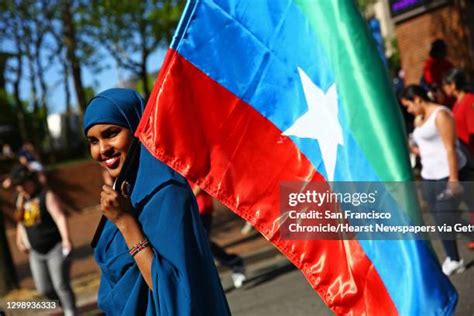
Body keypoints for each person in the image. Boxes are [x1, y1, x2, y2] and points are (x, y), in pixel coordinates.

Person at [83, 88, 230, 315]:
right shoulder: (124, 191)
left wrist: (125, 222)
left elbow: (176, 293)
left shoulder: (167, 192)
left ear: (136, 128)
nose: (102, 149)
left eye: (111, 133)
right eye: (93, 141)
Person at [400, 85, 472, 275]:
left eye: (408, 105)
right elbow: (424, 146)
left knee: (445, 217)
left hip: (447, 174)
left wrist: (454, 179)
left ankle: (454, 259)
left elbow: (450, 148)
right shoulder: (418, 119)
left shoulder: (441, 114)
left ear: (417, 98)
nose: (408, 110)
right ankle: (454, 259)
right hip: (429, 176)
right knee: (443, 219)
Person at [10, 164, 76, 315]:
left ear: (30, 181)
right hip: (36, 253)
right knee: (44, 289)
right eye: (17, 186)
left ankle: (70, 311)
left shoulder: (46, 196)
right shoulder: (20, 201)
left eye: (22, 185)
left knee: (61, 285)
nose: (20, 189)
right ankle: (63, 305)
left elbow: (60, 217)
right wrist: (19, 239)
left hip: (55, 248)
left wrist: (66, 239)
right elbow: (21, 222)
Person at [190, 184, 246, 288]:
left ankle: (213, 277)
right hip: (190, 210)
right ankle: (234, 263)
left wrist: (191, 196)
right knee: (201, 244)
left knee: (202, 244)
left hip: (201, 207)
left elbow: (202, 181)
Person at [442, 68, 474, 158]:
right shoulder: (457, 103)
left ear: (453, 85)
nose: (443, 88)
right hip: (463, 153)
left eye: (445, 85)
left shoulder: (470, 101)